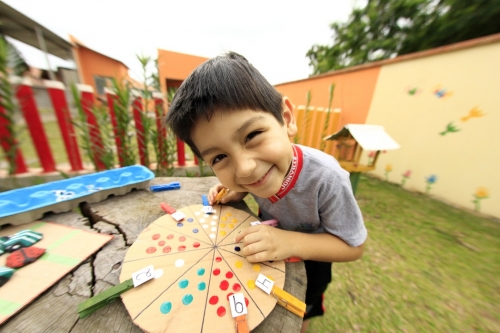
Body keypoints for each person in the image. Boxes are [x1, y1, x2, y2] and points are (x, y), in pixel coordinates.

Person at [165, 52, 367, 333]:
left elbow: (354, 246)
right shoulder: (255, 176)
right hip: (265, 256)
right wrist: (239, 191)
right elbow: (249, 179)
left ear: (286, 118)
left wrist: (288, 242)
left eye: (251, 136)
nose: (245, 168)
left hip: (312, 265)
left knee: (297, 314)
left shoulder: (328, 178)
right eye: (220, 158)